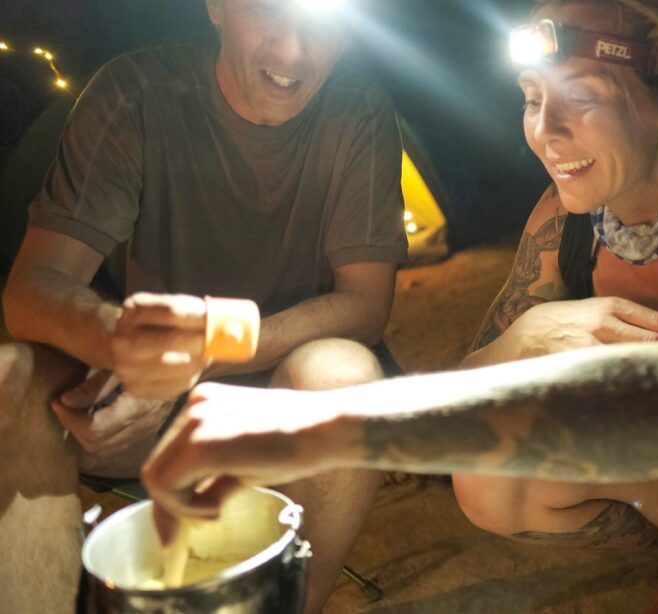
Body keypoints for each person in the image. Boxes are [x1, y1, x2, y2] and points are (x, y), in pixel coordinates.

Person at [142, 0, 658, 611]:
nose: (545, 131)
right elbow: (481, 377)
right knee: (491, 475)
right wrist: (528, 329)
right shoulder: (563, 220)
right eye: (531, 98)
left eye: (582, 97)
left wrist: (308, 426)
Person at [0, 0, 408, 611]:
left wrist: (193, 360)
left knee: (343, 374)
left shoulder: (358, 109)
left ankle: (295, 603)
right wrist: (119, 344)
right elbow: (32, 289)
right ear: (217, 7)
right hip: (139, 410)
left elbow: (364, 305)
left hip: (274, 401)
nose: (293, 53)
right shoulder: (137, 95)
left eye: (324, 26)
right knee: (14, 378)